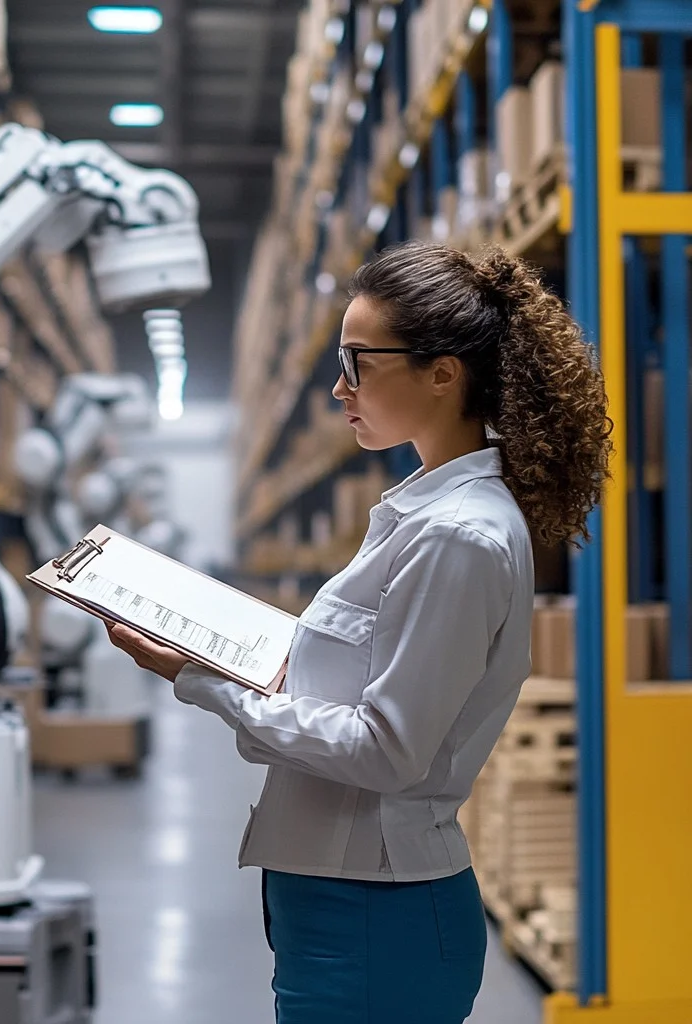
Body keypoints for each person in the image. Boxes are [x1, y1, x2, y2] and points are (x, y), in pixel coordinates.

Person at [106, 242, 612, 1023]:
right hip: (340, 900)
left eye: (358, 362)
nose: (340, 388)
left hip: (377, 914)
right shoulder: (420, 513)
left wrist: (206, 682)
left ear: (443, 372)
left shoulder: (457, 536)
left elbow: (387, 749)